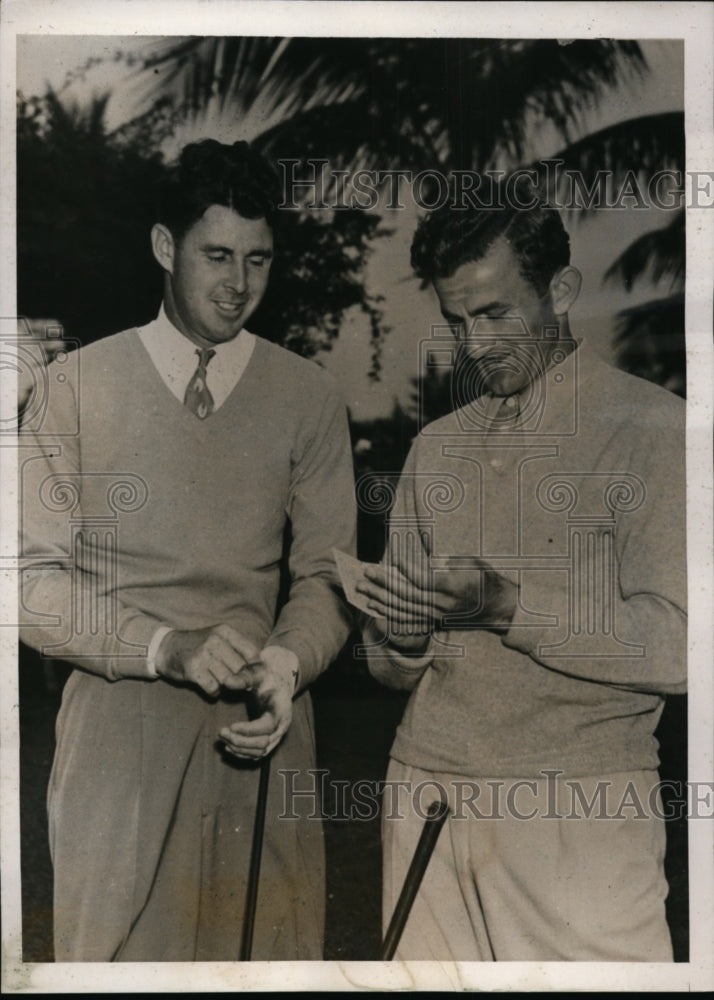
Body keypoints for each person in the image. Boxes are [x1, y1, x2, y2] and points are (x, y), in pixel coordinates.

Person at [18, 139, 356, 962]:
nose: (237, 285)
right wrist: (165, 649)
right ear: (166, 248)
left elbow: (325, 575)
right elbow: (29, 584)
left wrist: (287, 665)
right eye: (215, 255)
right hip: (117, 741)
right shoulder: (73, 386)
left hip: (264, 731)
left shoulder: (308, 396)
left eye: (259, 260)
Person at [357, 195, 687, 961]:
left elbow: (680, 646)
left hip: (581, 813)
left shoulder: (656, 430)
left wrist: (510, 606)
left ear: (561, 292)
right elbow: (387, 662)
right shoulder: (435, 448)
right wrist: (399, 638)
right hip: (424, 794)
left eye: (497, 315)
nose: (476, 346)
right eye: (458, 320)